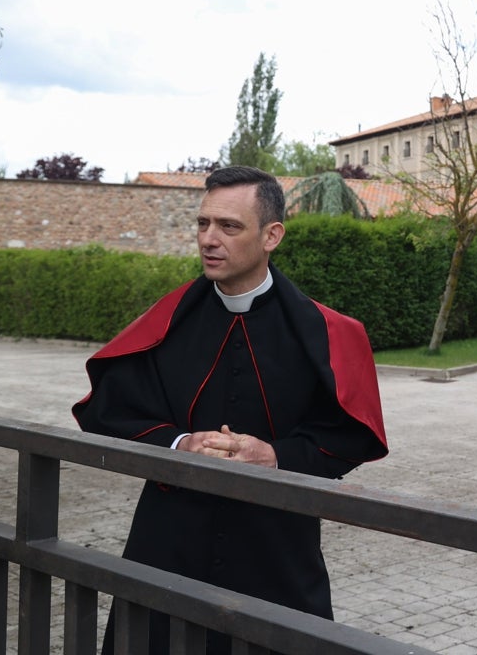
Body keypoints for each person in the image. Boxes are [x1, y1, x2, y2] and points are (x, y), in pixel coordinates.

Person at [72, 165, 388, 654]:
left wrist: (275, 457)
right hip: (168, 544)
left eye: (229, 226)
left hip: (275, 548)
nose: (209, 239)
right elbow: (111, 412)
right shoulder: (167, 321)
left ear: (272, 236)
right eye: (203, 224)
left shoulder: (327, 333)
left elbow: (347, 436)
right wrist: (179, 443)